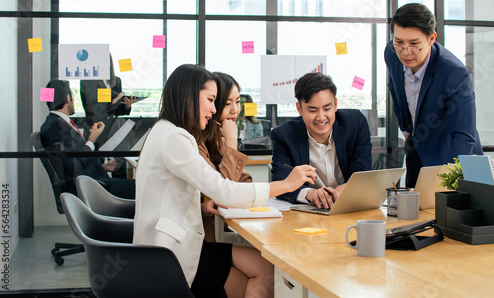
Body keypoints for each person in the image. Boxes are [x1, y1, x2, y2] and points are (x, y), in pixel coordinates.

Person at [133, 64, 315, 298]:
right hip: (171, 256)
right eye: (211, 99)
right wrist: (287, 184)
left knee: (264, 270)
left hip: (172, 247)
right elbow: (224, 190)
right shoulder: (175, 139)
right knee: (264, 275)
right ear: (188, 96)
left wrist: (201, 208)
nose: (213, 108)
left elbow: (169, 196)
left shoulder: (164, 131)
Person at [384, 3, 483, 188]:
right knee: (412, 210)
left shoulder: (454, 73)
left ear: (431, 38)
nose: (405, 52)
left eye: (414, 44)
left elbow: (463, 135)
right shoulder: (391, 53)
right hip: (417, 147)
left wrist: (448, 180)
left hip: (452, 154)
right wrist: (406, 131)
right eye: (399, 42)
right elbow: (394, 89)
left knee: (446, 212)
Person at [271, 72, 372, 208]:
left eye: (327, 108)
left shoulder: (355, 123)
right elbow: (280, 179)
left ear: (335, 104)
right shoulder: (283, 135)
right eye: (313, 110)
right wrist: (309, 194)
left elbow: (362, 171)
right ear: (299, 109)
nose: (321, 117)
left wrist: (346, 188)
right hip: (310, 210)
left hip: (348, 206)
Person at [39, 79, 135, 199]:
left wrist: (103, 167)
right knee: (138, 187)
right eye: (72, 96)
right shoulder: (55, 127)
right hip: (90, 186)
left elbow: (73, 160)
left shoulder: (56, 123)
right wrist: (91, 139)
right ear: (68, 98)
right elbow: (72, 165)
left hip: (92, 179)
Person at [200, 72, 252, 243]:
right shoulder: (197, 142)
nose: (235, 110)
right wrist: (231, 142)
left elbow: (245, 182)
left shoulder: (219, 138)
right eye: (227, 103)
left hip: (222, 230)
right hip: (204, 237)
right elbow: (223, 192)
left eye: (237, 102)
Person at [80, 55, 136, 148]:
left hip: (113, 128)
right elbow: (92, 108)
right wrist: (115, 100)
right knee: (97, 160)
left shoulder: (116, 80)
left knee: (114, 160)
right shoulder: (87, 81)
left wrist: (127, 106)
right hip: (96, 127)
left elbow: (118, 111)